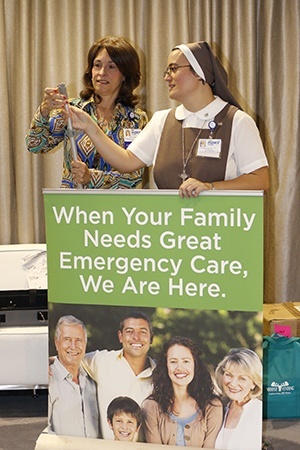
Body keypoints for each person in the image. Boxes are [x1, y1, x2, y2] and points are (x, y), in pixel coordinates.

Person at [62, 40, 269, 197]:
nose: (166, 77)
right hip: (170, 236)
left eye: (173, 69)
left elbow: (260, 179)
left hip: (218, 236)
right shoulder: (162, 120)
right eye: (167, 70)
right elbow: (126, 161)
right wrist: (90, 126)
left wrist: (210, 187)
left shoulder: (238, 121)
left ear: (200, 73)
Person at [26, 36, 148, 189]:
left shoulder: (136, 119)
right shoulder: (72, 110)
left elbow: (134, 177)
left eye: (111, 67)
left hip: (116, 209)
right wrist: (44, 111)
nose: (102, 72)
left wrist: (92, 177)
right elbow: (35, 145)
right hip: (73, 208)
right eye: (97, 65)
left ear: (125, 74)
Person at [82, 310, 155, 440]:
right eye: (129, 331)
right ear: (120, 336)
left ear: (151, 338)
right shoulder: (102, 361)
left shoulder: (161, 376)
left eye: (143, 332)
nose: (136, 337)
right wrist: (50, 363)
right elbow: (70, 359)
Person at [142, 336, 223, 447]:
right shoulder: (151, 406)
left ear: (195, 364)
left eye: (186, 361)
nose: (179, 367)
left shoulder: (212, 406)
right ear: (166, 366)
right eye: (173, 361)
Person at [48, 315, 101, 438]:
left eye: (79, 340)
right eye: (67, 339)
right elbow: (43, 431)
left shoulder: (92, 379)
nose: (73, 346)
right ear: (57, 343)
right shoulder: (48, 379)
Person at [214, 347, 263, 450]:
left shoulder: (261, 412)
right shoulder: (219, 408)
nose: (233, 383)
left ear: (254, 383)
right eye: (229, 375)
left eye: (242, 378)